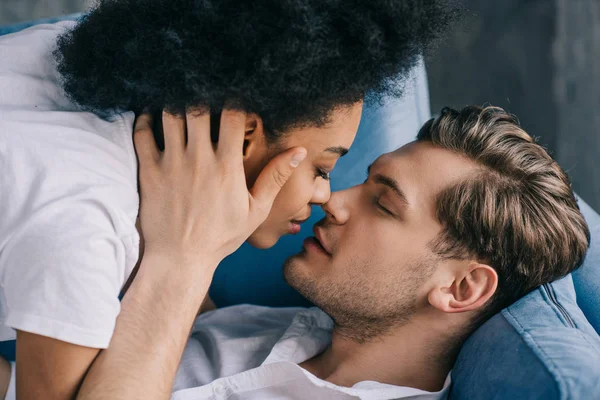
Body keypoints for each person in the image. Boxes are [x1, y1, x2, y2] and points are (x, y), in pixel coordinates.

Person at [0, 0, 459, 397]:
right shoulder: (86, 223)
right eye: (322, 168)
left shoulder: (73, 60)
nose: (326, 196)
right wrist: (188, 257)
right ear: (243, 137)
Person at [59, 105, 588, 399]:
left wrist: (185, 260)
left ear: (461, 287)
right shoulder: (276, 329)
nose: (332, 200)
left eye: (383, 204)